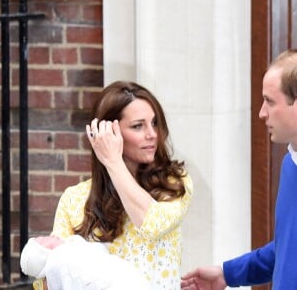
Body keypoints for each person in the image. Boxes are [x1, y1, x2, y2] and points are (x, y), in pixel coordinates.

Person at [30, 80, 193, 290]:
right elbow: (52, 274)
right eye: (138, 126)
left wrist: (113, 162)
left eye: (154, 123)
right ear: (105, 132)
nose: (152, 134)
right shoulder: (75, 198)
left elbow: (152, 223)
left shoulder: (174, 183)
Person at [181, 49, 297, 290]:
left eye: (270, 101)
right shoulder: (290, 163)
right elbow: (287, 248)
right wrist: (227, 274)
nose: (261, 113)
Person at [20, 235, 151, 289]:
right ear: (42, 254)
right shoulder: (58, 260)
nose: (51, 236)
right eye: (43, 240)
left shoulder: (67, 254)